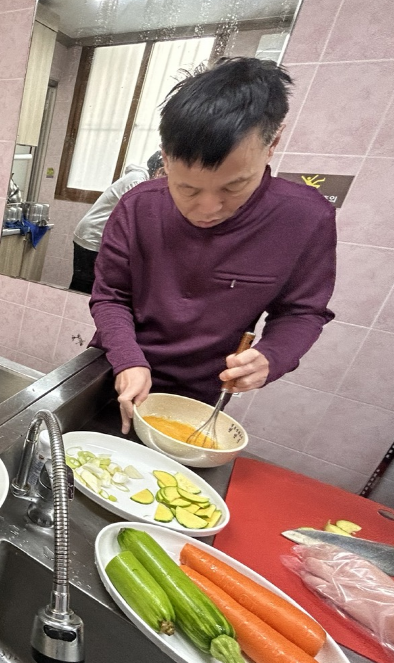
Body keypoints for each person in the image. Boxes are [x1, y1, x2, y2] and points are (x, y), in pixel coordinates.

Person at [89, 57, 336, 434]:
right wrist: (127, 360)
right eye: (186, 188)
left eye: (233, 187)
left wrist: (272, 357)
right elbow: (111, 296)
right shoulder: (139, 205)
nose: (207, 209)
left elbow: (302, 311)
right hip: (110, 370)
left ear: (273, 144)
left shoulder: (306, 218)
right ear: (166, 157)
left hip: (199, 395)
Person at [69, 151, 165, 294]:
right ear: (160, 171)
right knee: (84, 286)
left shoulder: (145, 182)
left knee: (91, 286)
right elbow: (139, 218)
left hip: (98, 235)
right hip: (93, 235)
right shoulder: (137, 181)